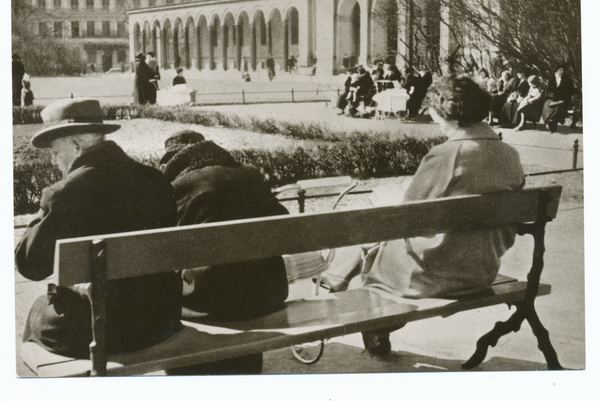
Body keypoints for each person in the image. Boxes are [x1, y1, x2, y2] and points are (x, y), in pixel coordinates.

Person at [319, 75, 525, 299]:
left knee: (387, 219)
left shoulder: (448, 154)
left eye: (435, 115)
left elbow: (406, 216)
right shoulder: (510, 155)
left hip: (432, 275)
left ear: (451, 116)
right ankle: (342, 274)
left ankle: (346, 281)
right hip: (480, 271)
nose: (434, 120)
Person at [15, 98, 182, 359]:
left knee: (39, 308)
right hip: (159, 319)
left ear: (76, 145)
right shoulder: (155, 179)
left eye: (55, 152)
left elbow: (30, 265)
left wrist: (41, 212)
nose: (52, 161)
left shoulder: (63, 194)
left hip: (100, 328)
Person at [159, 130, 289, 375]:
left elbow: (163, 251)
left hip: (207, 304)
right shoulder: (250, 175)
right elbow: (283, 223)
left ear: (175, 161)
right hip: (265, 296)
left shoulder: (179, 186)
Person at [542, 65, 575, 133]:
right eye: (560, 70)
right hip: (552, 98)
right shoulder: (551, 78)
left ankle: (553, 123)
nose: (562, 71)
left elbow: (569, 90)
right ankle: (548, 120)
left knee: (558, 108)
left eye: (562, 70)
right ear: (556, 71)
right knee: (547, 105)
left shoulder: (566, 79)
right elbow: (548, 90)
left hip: (563, 99)